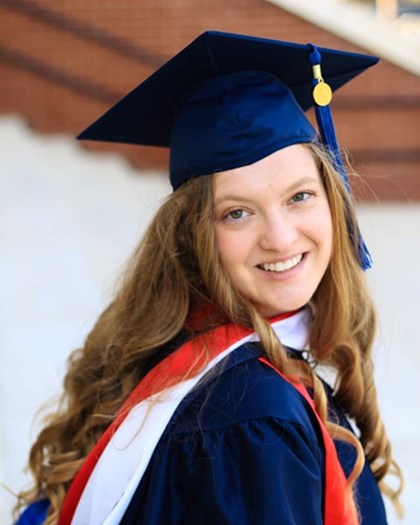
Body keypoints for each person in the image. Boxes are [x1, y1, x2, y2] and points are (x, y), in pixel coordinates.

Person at [15, 31, 403, 525]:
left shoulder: (190, 357)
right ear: (192, 237)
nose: (281, 240)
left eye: (299, 196)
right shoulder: (253, 417)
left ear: (334, 198)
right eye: (237, 213)